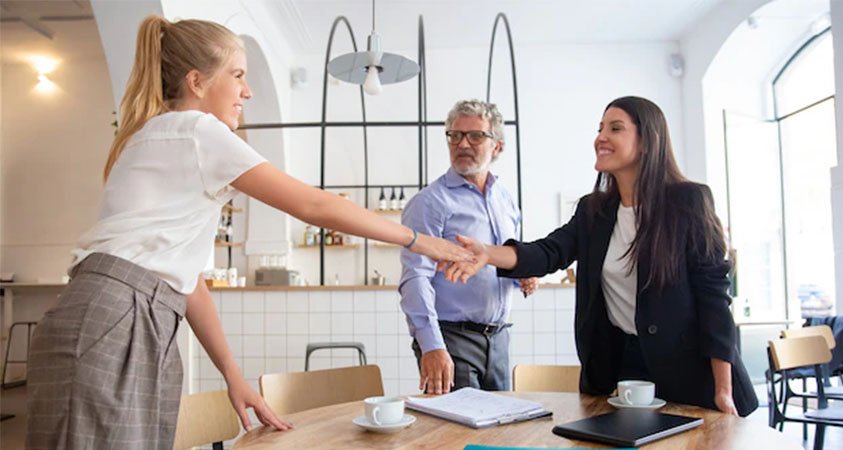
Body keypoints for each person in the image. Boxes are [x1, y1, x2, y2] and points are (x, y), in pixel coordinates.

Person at [25, 16, 471, 450]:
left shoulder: (160, 137)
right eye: (237, 75)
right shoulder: (196, 129)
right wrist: (419, 240)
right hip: (118, 315)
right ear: (197, 82)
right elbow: (314, 205)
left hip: (127, 314)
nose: (248, 90)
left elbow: (189, 283)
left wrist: (232, 376)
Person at [445, 96, 758, 416]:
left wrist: (723, 390)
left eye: (615, 128)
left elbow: (713, 300)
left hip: (691, 377)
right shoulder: (593, 211)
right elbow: (548, 252)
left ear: (647, 141)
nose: (601, 138)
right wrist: (487, 253)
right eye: (600, 129)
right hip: (622, 371)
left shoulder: (687, 201)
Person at [399, 99, 538, 395]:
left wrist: (522, 275)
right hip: (451, 339)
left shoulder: (505, 200)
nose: (462, 144)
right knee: (458, 424)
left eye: (475, 136)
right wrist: (431, 345)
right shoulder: (429, 202)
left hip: (498, 339)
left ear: (497, 147)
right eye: (455, 135)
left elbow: (500, 260)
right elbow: (415, 277)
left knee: (500, 422)